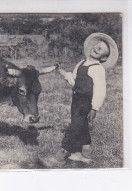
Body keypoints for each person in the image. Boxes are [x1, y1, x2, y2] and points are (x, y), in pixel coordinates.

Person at [40, 33, 119, 167]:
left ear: (103, 57)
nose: (96, 48)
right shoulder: (81, 63)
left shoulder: (98, 69)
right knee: (81, 125)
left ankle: (61, 155)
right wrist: (60, 71)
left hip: (86, 103)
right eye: (97, 46)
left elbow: (100, 90)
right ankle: (85, 154)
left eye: (101, 49)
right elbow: (73, 79)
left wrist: (94, 108)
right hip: (76, 100)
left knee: (75, 127)